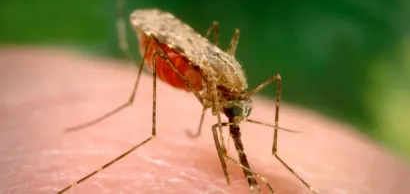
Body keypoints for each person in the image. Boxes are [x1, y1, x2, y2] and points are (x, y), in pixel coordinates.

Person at [1, 47, 409, 194]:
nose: (235, 120)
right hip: (193, 63)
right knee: (173, 67)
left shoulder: (240, 95)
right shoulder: (218, 88)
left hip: (221, 78)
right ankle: (145, 126)